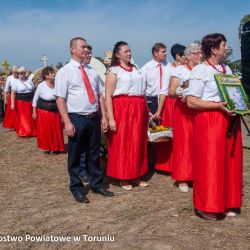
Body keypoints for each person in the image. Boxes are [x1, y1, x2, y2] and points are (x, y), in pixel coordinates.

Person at [187, 33, 242, 220]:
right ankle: (207, 205)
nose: (226, 47)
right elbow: (191, 101)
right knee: (210, 163)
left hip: (229, 120)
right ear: (213, 48)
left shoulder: (226, 68)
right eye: (224, 45)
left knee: (229, 162)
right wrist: (217, 106)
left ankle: (226, 201)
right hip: (209, 120)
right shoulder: (200, 70)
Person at [54, 37, 114, 203]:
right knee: (75, 155)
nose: (86, 49)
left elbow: (100, 96)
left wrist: (103, 117)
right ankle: (77, 188)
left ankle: (96, 184)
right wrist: (67, 122)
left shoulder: (91, 71)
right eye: (83, 47)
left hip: (93, 117)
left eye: (87, 47)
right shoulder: (65, 72)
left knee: (94, 153)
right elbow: (60, 99)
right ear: (72, 49)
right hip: (76, 117)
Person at [105, 41, 149, 191]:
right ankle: (123, 176)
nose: (129, 53)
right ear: (117, 54)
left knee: (137, 141)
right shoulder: (114, 71)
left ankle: (136, 173)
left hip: (138, 107)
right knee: (122, 142)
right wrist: (111, 118)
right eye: (125, 51)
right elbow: (108, 96)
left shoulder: (136, 69)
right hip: (122, 108)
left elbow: (142, 91)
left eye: (130, 50)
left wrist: (146, 109)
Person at [168, 43, 202, 192]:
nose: (200, 56)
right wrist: (183, 90)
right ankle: (183, 177)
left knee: (199, 141)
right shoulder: (179, 70)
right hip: (183, 110)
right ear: (188, 56)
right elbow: (171, 92)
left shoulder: (202, 70)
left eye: (201, 53)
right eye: (196, 53)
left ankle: (198, 174)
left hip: (200, 108)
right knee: (184, 142)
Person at [32, 66, 64, 154]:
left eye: (53, 72)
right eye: (51, 73)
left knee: (56, 129)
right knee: (47, 130)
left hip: (56, 111)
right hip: (44, 112)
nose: (54, 74)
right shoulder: (41, 86)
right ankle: (49, 147)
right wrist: (34, 112)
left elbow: (60, 98)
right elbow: (35, 99)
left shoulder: (56, 84)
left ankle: (57, 147)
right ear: (46, 76)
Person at [142, 43, 171, 114]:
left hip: (166, 99)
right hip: (152, 101)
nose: (165, 53)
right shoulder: (146, 68)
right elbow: (142, 87)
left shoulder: (170, 66)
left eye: (165, 51)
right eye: (163, 52)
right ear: (155, 53)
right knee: (153, 124)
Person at [11, 67, 36, 137]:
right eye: (18, 73)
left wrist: (35, 100)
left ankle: (33, 131)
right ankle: (25, 132)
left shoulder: (29, 81)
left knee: (31, 116)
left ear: (25, 73)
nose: (19, 74)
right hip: (21, 102)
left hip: (30, 100)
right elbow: (13, 93)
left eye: (21, 73)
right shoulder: (16, 82)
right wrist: (12, 104)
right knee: (24, 117)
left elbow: (33, 91)